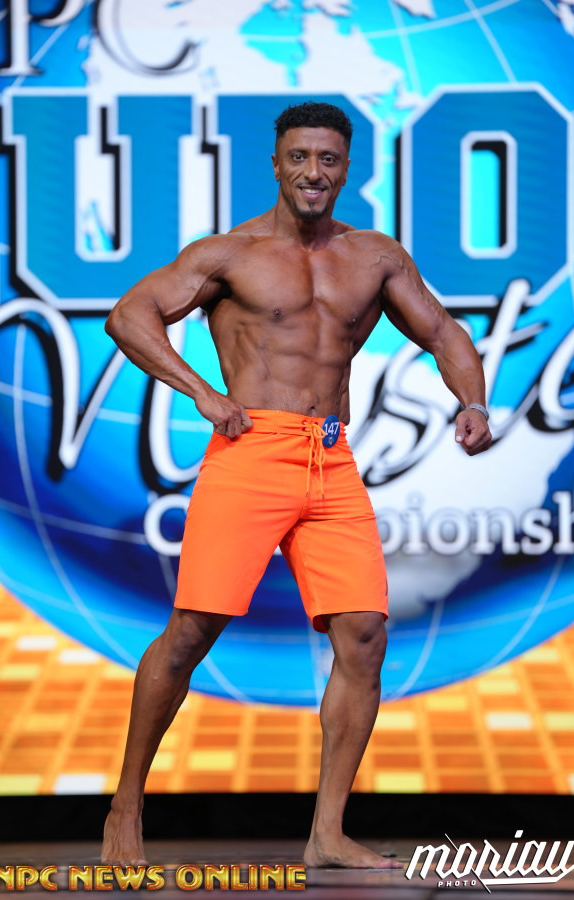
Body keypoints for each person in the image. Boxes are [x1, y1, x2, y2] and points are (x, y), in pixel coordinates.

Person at [101, 101, 492, 869]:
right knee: (191, 633)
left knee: (365, 634)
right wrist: (201, 391)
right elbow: (129, 315)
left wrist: (473, 402)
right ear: (277, 164)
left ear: (347, 169)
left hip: (331, 459)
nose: (314, 171)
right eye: (300, 157)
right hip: (250, 452)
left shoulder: (374, 256)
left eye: (328, 159)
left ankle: (327, 833)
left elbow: (443, 330)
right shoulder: (230, 253)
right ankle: (125, 806)